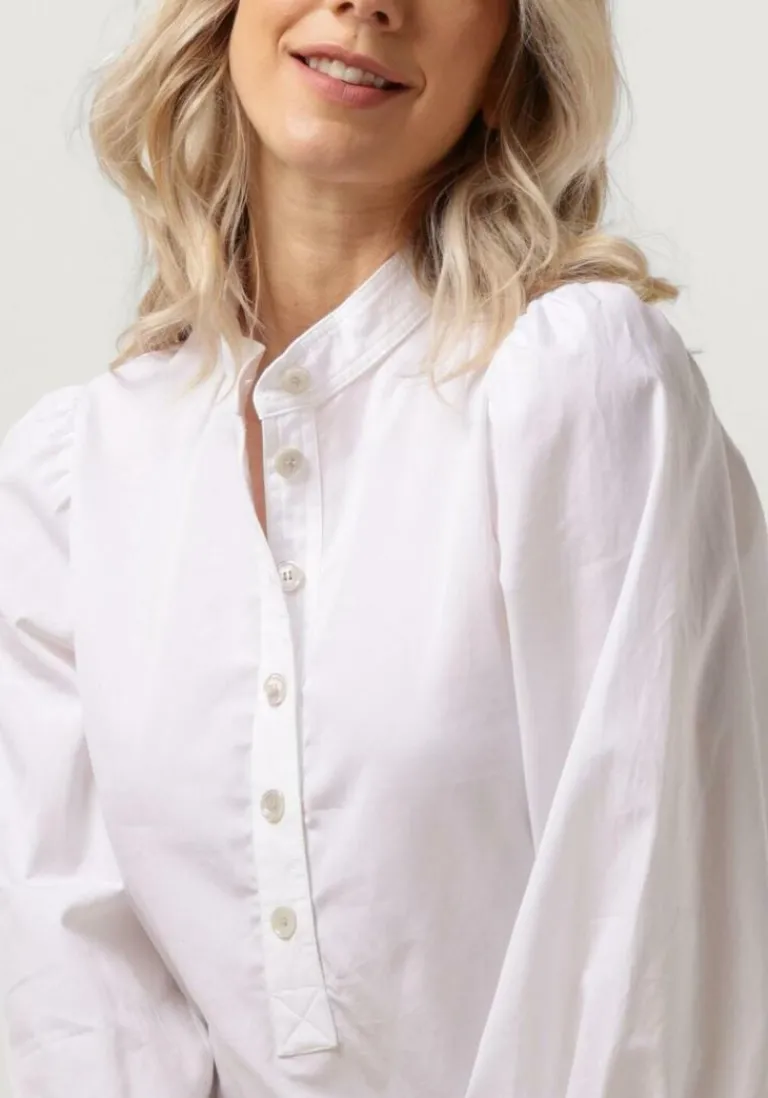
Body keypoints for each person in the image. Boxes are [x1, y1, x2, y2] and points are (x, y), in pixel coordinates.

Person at [1, 0, 767, 1094]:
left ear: (510, 57)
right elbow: (78, 1018)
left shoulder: (578, 386)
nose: (368, 4)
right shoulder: (73, 483)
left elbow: (649, 957)